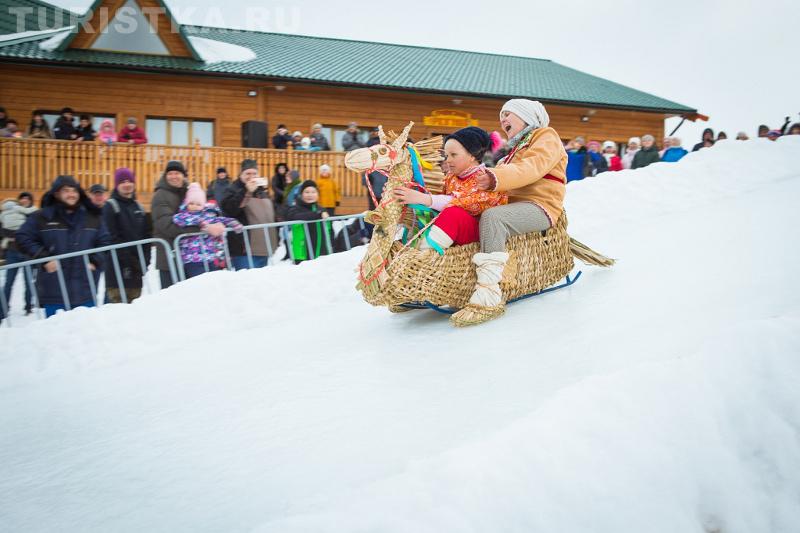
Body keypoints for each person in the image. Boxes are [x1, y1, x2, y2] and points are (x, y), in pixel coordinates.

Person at [449, 99, 567, 326]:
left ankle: (489, 294)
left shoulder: (545, 137)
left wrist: (496, 177)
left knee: (494, 218)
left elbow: (531, 167)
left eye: (508, 114)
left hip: (539, 205)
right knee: (468, 214)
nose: (502, 120)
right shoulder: (514, 150)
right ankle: (457, 281)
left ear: (526, 116)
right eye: (501, 115)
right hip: (513, 204)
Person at [393, 126, 508, 253]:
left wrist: (425, 199)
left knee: (453, 213)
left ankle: (426, 253)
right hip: (456, 233)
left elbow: (463, 202)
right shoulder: (451, 177)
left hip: (481, 234)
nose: (448, 160)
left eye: (454, 155)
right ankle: (416, 246)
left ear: (472, 155)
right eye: (446, 155)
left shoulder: (486, 178)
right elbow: (440, 202)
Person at [16, 175, 111, 317]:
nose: (71, 194)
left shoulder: (92, 217)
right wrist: (44, 258)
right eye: (66, 190)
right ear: (56, 193)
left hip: (84, 290)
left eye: (74, 190)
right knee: (57, 335)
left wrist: (95, 260)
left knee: (85, 336)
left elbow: (105, 241)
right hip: (54, 291)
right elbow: (22, 237)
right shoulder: (42, 217)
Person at [151, 160, 216, 289]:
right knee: (171, 298)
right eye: (170, 173)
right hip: (169, 256)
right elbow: (166, 225)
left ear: (183, 175)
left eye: (177, 173)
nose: (173, 176)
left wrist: (213, 221)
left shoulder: (188, 192)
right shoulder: (160, 195)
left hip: (188, 256)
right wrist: (202, 228)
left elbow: (201, 211)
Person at [101, 168, 150, 304]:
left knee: (133, 313)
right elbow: (112, 237)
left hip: (136, 273)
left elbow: (146, 236)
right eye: (122, 181)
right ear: (117, 185)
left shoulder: (139, 207)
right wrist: (132, 262)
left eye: (129, 181)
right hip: (117, 270)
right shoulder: (110, 206)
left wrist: (145, 261)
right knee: (116, 312)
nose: (127, 184)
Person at [173, 184, 243, 278]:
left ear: (203, 205)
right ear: (186, 203)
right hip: (192, 258)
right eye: (191, 203)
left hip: (209, 257)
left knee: (211, 282)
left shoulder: (208, 215)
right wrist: (202, 224)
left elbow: (220, 219)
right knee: (198, 283)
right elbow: (178, 219)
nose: (194, 206)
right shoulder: (183, 215)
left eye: (198, 204)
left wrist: (233, 223)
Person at [220, 159, 279, 269]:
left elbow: (273, 214)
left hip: (264, 248)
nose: (251, 176)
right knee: (246, 283)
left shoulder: (262, 192)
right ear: (241, 175)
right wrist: (246, 191)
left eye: (254, 173)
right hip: (244, 250)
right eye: (247, 173)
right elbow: (230, 210)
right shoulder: (232, 189)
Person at [1, 192, 37, 318]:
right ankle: (3, 309)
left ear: (31, 201)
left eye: (28, 198)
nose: (25, 200)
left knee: (29, 282)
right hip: (12, 252)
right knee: (8, 282)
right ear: (19, 201)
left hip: (28, 254)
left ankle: (28, 307)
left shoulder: (33, 214)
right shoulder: (10, 214)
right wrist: (12, 235)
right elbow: (2, 230)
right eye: (22, 198)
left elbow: (35, 232)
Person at [286, 180, 333, 263]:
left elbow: (329, 230)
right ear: (301, 194)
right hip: (303, 253)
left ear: (318, 194)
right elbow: (294, 217)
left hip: (322, 252)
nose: (310, 195)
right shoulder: (295, 208)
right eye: (307, 192)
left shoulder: (321, 209)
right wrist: (317, 214)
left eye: (313, 192)